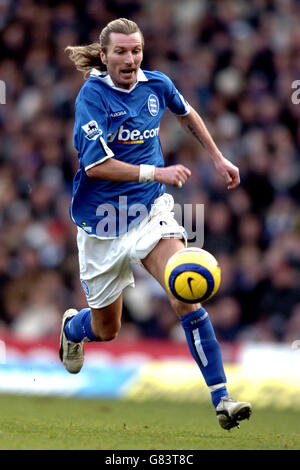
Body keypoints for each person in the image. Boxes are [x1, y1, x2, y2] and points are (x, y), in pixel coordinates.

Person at [60, 18, 252, 430]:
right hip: (102, 226)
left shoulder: (157, 84)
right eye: (121, 52)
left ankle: (222, 399)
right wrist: (154, 172)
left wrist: (218, 158)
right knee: (106, 330)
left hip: (149, 213)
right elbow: (96, 167)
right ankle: (73, 328)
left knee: (184, 290)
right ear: (106, 55)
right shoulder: (91, 98)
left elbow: (187, 113)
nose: (130, 59)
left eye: (136, 51)